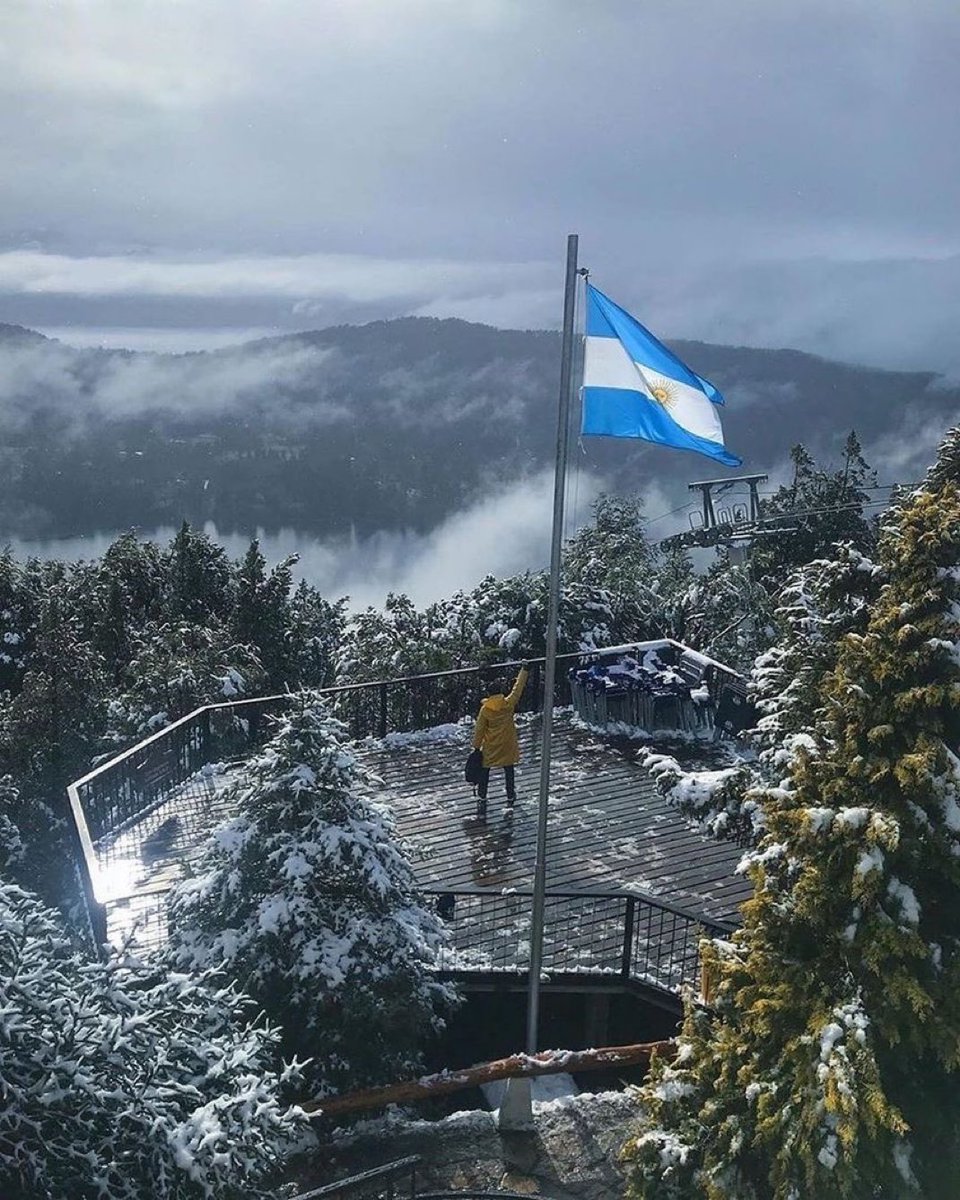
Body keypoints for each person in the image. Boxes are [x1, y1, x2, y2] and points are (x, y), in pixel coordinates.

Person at [472, 661, 529, 818]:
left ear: (489, 694)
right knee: (508, 770)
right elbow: (518, 689)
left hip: (491, 745)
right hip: (507, 744)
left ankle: (482, 797)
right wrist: (525, 670)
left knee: (485, 771)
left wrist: (476, 746)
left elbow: (479, 729)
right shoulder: (508, 704)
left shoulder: (485, 709)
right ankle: (510, 796)